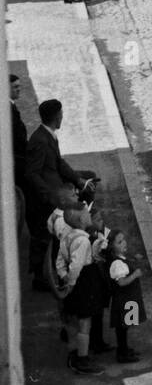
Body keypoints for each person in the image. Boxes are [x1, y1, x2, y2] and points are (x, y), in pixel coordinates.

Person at [24, 99, 86, 289]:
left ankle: (49, 273)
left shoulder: (48, 136)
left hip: (55, 193)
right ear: (56, 117)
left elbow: (58, 163)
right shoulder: (41, 141)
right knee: (46, 237)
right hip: (47, 199)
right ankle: (44, 277)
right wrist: (48, 195)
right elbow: (32, 173)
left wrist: (78, 179)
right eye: (60, 115)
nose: (62, 118)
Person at [56, 205, 107, 375]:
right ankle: (82, 359)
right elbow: (77, 265)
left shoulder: (66, 236)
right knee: (85, 322)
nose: (88, 215)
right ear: (81, 220)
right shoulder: (83, 240)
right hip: (84, 282)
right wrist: (71, 281)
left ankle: (73, 354)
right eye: (86, 214)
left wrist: (64, 276)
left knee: (72, 320)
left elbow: (60, 261)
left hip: (72, 282)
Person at [107, 230, 147, 364]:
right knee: (123, 326)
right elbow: (121, 282)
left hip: (129, 298)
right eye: (119, 242)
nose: (124, 243)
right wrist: (134, 275)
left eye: (123, 240)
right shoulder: (117, 263)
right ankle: (122, 353)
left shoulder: (122, 259)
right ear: (112, 247)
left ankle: (124, 349)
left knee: (126, 324)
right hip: (124, 300)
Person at [9, 74, 27, 192]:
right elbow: (16, 138)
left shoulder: (11, 106)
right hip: (16, 158)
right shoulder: (8, 108)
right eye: (15, 87)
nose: (18, 89)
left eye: (19, 86)